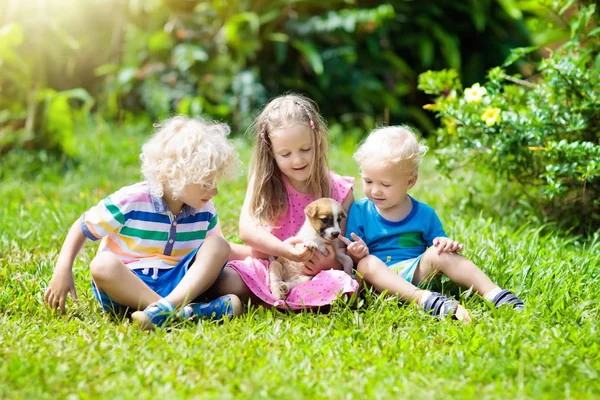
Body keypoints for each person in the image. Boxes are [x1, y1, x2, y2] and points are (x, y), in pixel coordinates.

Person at [44, 116, 248, 330]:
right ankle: (181, 312)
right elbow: (83, 226)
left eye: (215, 182)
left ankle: (163, 312)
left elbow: (220, 252)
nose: (214, 191)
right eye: (207, 183)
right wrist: (62, 268)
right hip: (128, 286)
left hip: (178, 283)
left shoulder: (204, 210)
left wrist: (266, 253)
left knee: (221, 252)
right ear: (176, 175)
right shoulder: (131, 199)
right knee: (101, 265)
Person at [343, 125, 524, 322]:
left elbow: (438, 240)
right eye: (368, 181)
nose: (375, 191)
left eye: (385, 185)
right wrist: (356, 252)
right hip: (379, 281)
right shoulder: (360, 211)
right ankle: (424, 300)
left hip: (416, 272)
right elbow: (350, 257)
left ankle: (494, 293)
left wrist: (445, 243)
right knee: (366, 264)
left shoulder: (424, 214)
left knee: (441, 253)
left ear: (410, 181)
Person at [210, 93, 358, 309]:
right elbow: (247, 231)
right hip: (270, 263)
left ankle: (280, 297)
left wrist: (329, 263)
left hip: (314, 273)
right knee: (227, 280)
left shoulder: (339, 190)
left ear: (317, 139)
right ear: (270, 151)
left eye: (305, 149)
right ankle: (285, 295)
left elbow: (340, 245)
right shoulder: (264, 182)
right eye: (285, 154)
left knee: (342, 286)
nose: (297, 160)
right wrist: (285, 252)